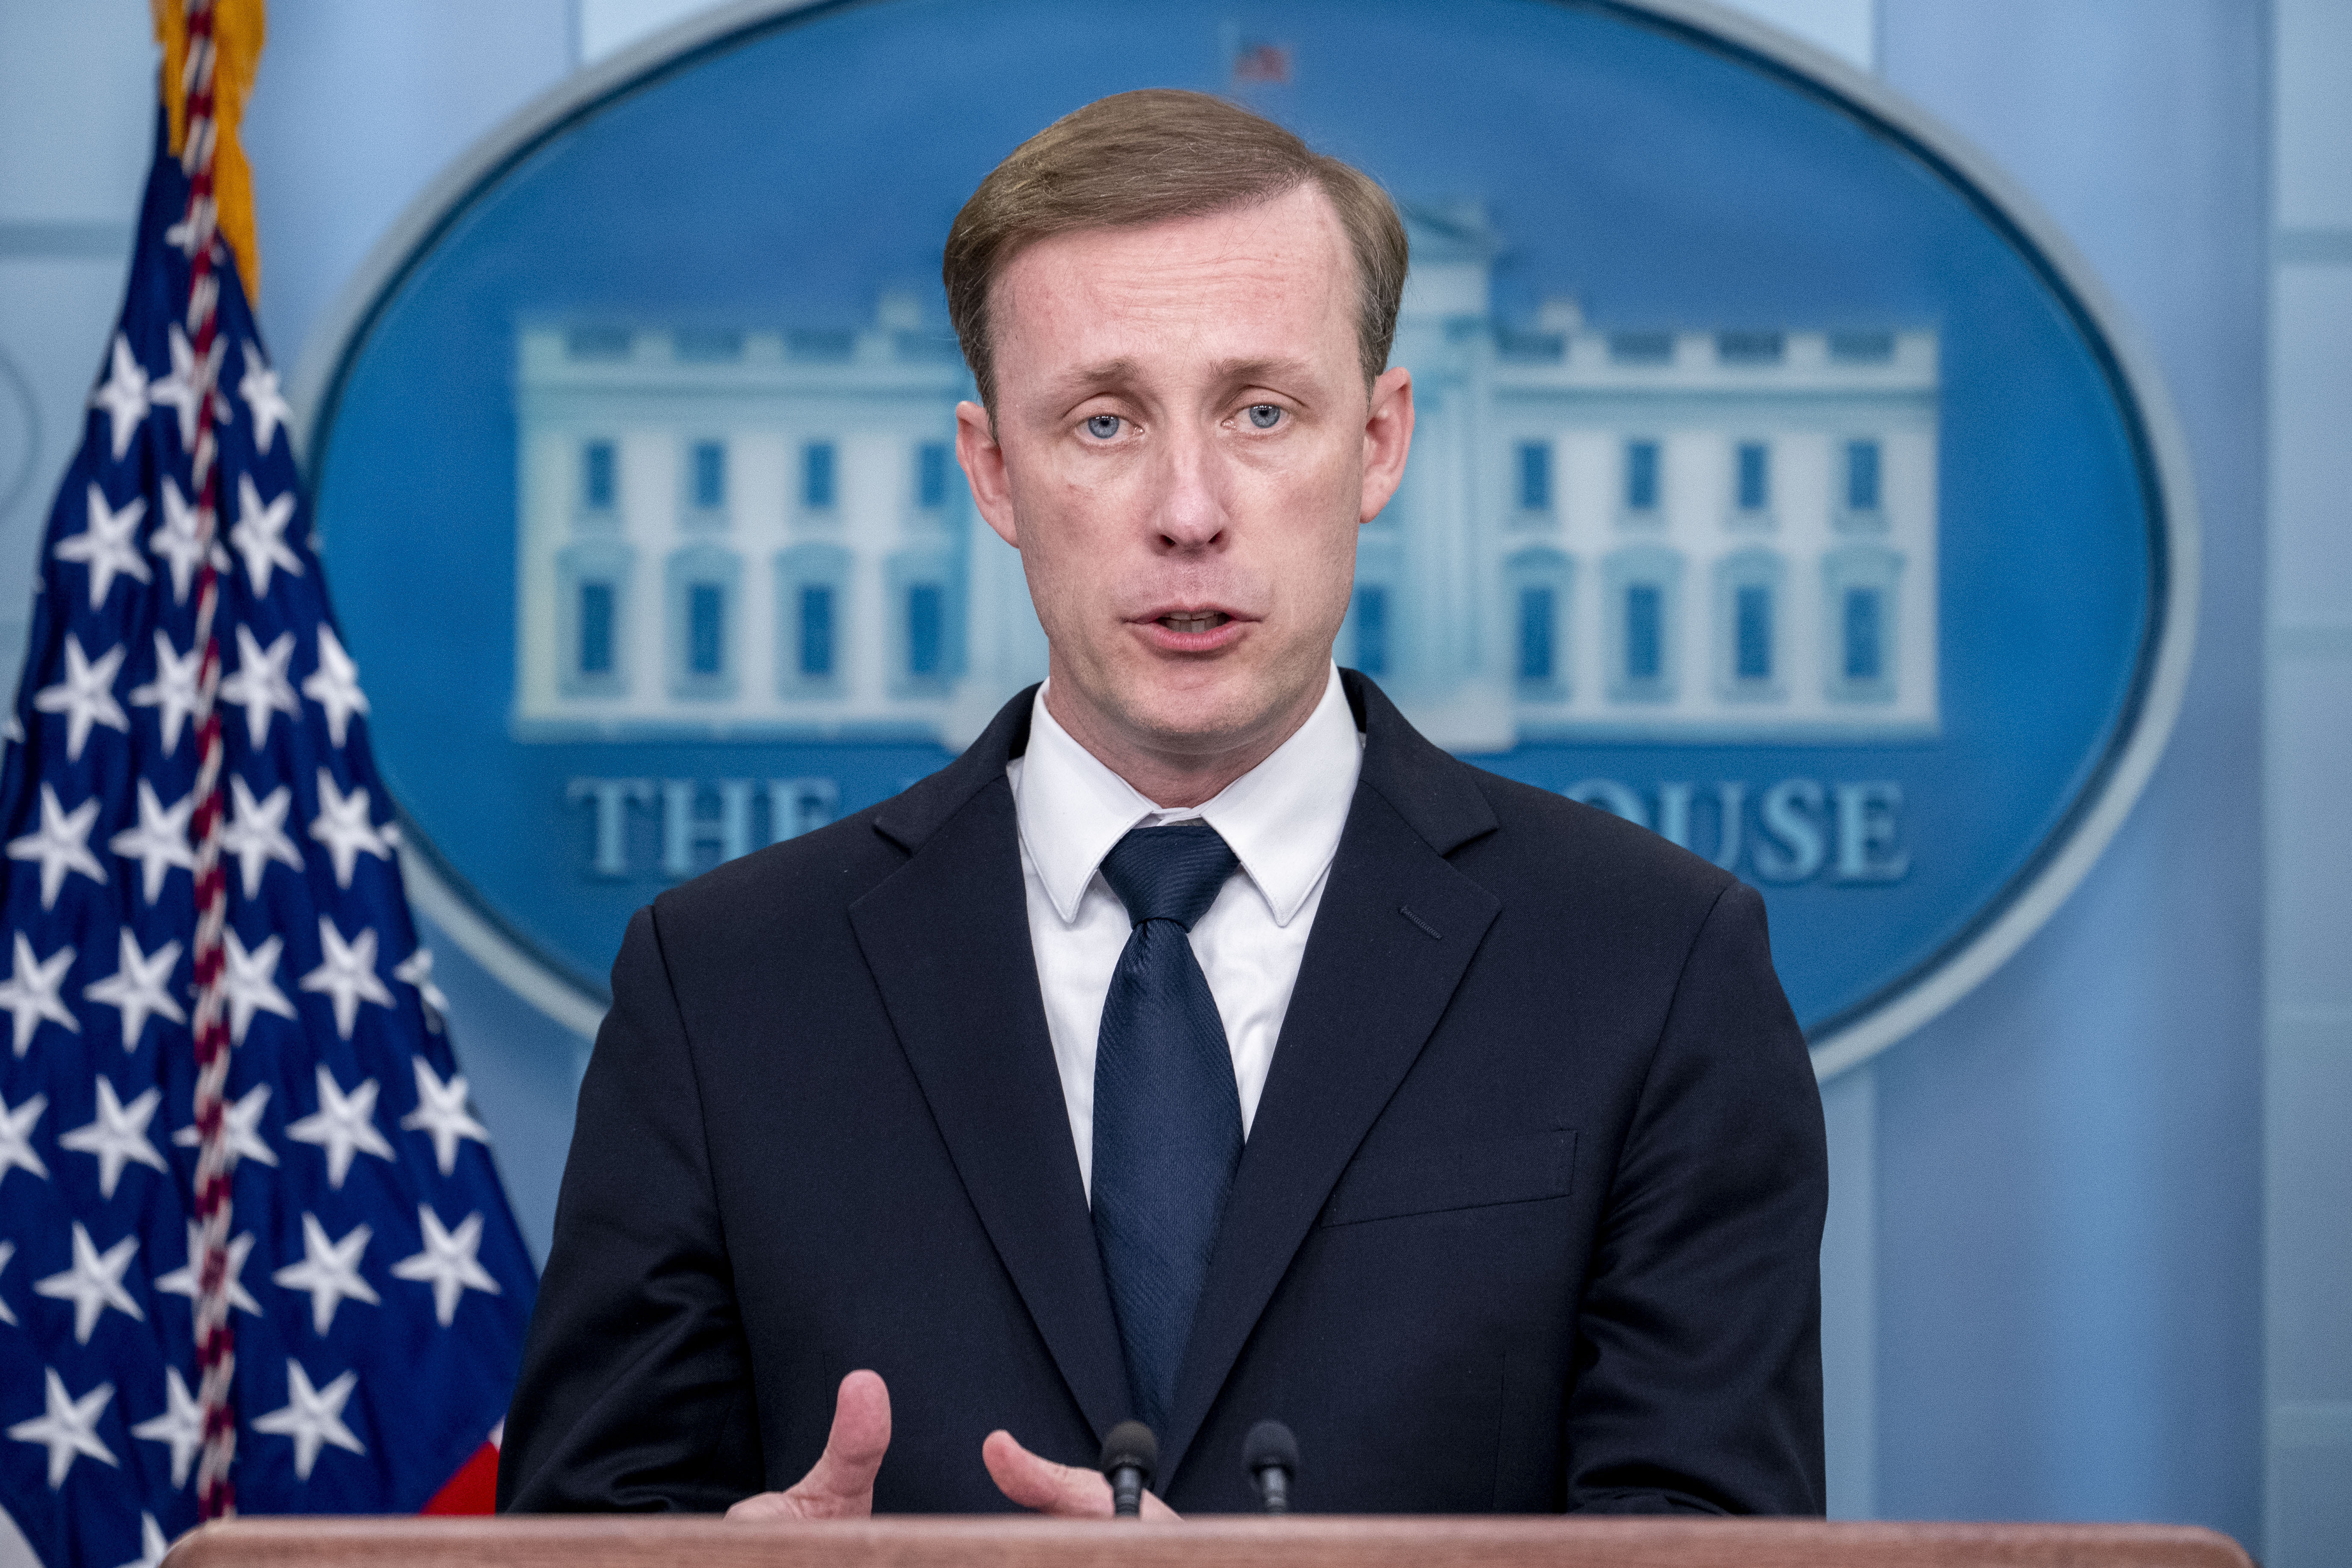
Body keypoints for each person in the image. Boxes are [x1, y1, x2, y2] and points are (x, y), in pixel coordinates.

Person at [497, 89, 1826, 1519]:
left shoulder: (1652, 964)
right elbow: (582, 1534)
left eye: (1262, 411)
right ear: (995, 470)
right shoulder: (726, 986)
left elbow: (1710, 1549)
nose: (1188, 508)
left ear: (1377, 443)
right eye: (1104, 420)